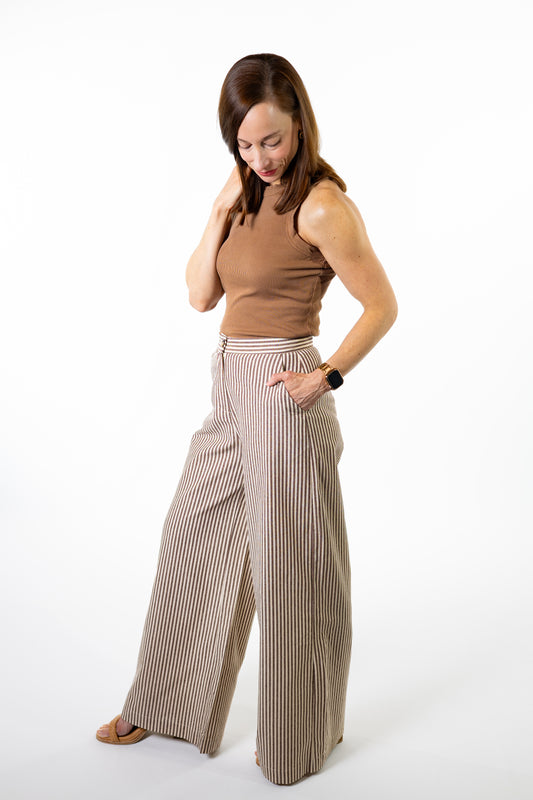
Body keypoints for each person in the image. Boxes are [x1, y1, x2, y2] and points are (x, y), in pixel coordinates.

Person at [96, 52, 398, 786]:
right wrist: (216, 208)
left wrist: (322, 378)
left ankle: (301, 734)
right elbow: (200, 295)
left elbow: (381, 306)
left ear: (299, 123)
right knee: (192, 537)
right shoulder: (240, 195)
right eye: (244, 144)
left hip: (283, 387)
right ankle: (166, 704)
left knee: (293, 570)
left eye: (273, 141)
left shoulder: (322, 205)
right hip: (228, 383)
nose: (260, 157)